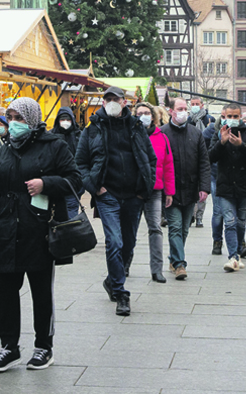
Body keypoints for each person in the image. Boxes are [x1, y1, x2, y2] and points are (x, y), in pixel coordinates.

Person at [0, 98, 82, 371]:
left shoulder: (54, 145)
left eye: (19, 118)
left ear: (32, 119)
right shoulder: (6, 148)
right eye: (10, 117)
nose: (13, 123)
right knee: (6, 291)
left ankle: (43, 347)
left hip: (39, 231)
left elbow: (75, 180)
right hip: (7, 231)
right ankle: (9, 346)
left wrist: (46, 183)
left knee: (40, 291)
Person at [75, 87, 156, 316]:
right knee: (114, 242)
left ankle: (111, 281)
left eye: (116, 99)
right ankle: (121, 292)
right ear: (103, 103)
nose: (112, 102)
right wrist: (93, 186)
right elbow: (80, 163)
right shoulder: (92, 130)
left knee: (128, 244)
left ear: (124, 103)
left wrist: (145, 188)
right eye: (107, 99)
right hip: (107, 195)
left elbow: (150, 158)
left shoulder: (136, 127)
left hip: (133, 194)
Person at [161, 98, 211, 281]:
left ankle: (173, 259)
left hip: (190, 189)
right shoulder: (163, 133)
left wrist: (204, 187)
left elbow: (204, 163)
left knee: (184, 229)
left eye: (185, 108)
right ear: (171, 111)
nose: (183, 111)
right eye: (179, 109)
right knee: (174, 226)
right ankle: (180, 264)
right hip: (170, 192)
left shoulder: (196, 134)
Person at [209, 104, 246, 272]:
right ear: (224, 116)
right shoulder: (219, 134)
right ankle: (233, 257)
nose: (231, 119)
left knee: (240, 222)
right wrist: (222, 143)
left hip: (245, 185)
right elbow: (210, 156)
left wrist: (241, 146)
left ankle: (237, 251)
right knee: (230, 222)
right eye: (228, 116)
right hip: (225, 185)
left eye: (235, 116)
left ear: (240, 117)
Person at [134, 102, 175, 284]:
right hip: (133, 191)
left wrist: (169, 191)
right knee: (130, 231)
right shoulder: (130, 135)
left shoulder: (162, 137)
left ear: (153, 116)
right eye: (139, 113)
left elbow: (168, 165)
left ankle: (156, 270)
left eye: (146, 113)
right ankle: (124, 266)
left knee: (155, 229)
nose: (143, 116)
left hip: (155, 190)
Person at [50, 107, 82, 218]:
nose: (65, 122)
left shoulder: (79, 136)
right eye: (62, 119)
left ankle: (70, 233)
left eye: (68, 120)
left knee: (71, 210)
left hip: (74, 182)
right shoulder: (50, 136)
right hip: (56, 183)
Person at [189, 98, 215, 228]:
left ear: (202, 105)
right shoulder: (187, 120)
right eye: (192, 104)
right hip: (190, 158)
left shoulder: (209, 120)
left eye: (196, 104)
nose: (194, 106)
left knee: (203, 189)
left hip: (205, 158)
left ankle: (199, 216)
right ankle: (191, 215)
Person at [203, 117, 225, 255]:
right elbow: (206, 154)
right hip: (216, 175)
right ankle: (217, 241)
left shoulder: (243, 131)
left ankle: (239, 241)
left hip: (235, 178)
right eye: (223, 116)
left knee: (237, 213)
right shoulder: (211, 131)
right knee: (218, 211)